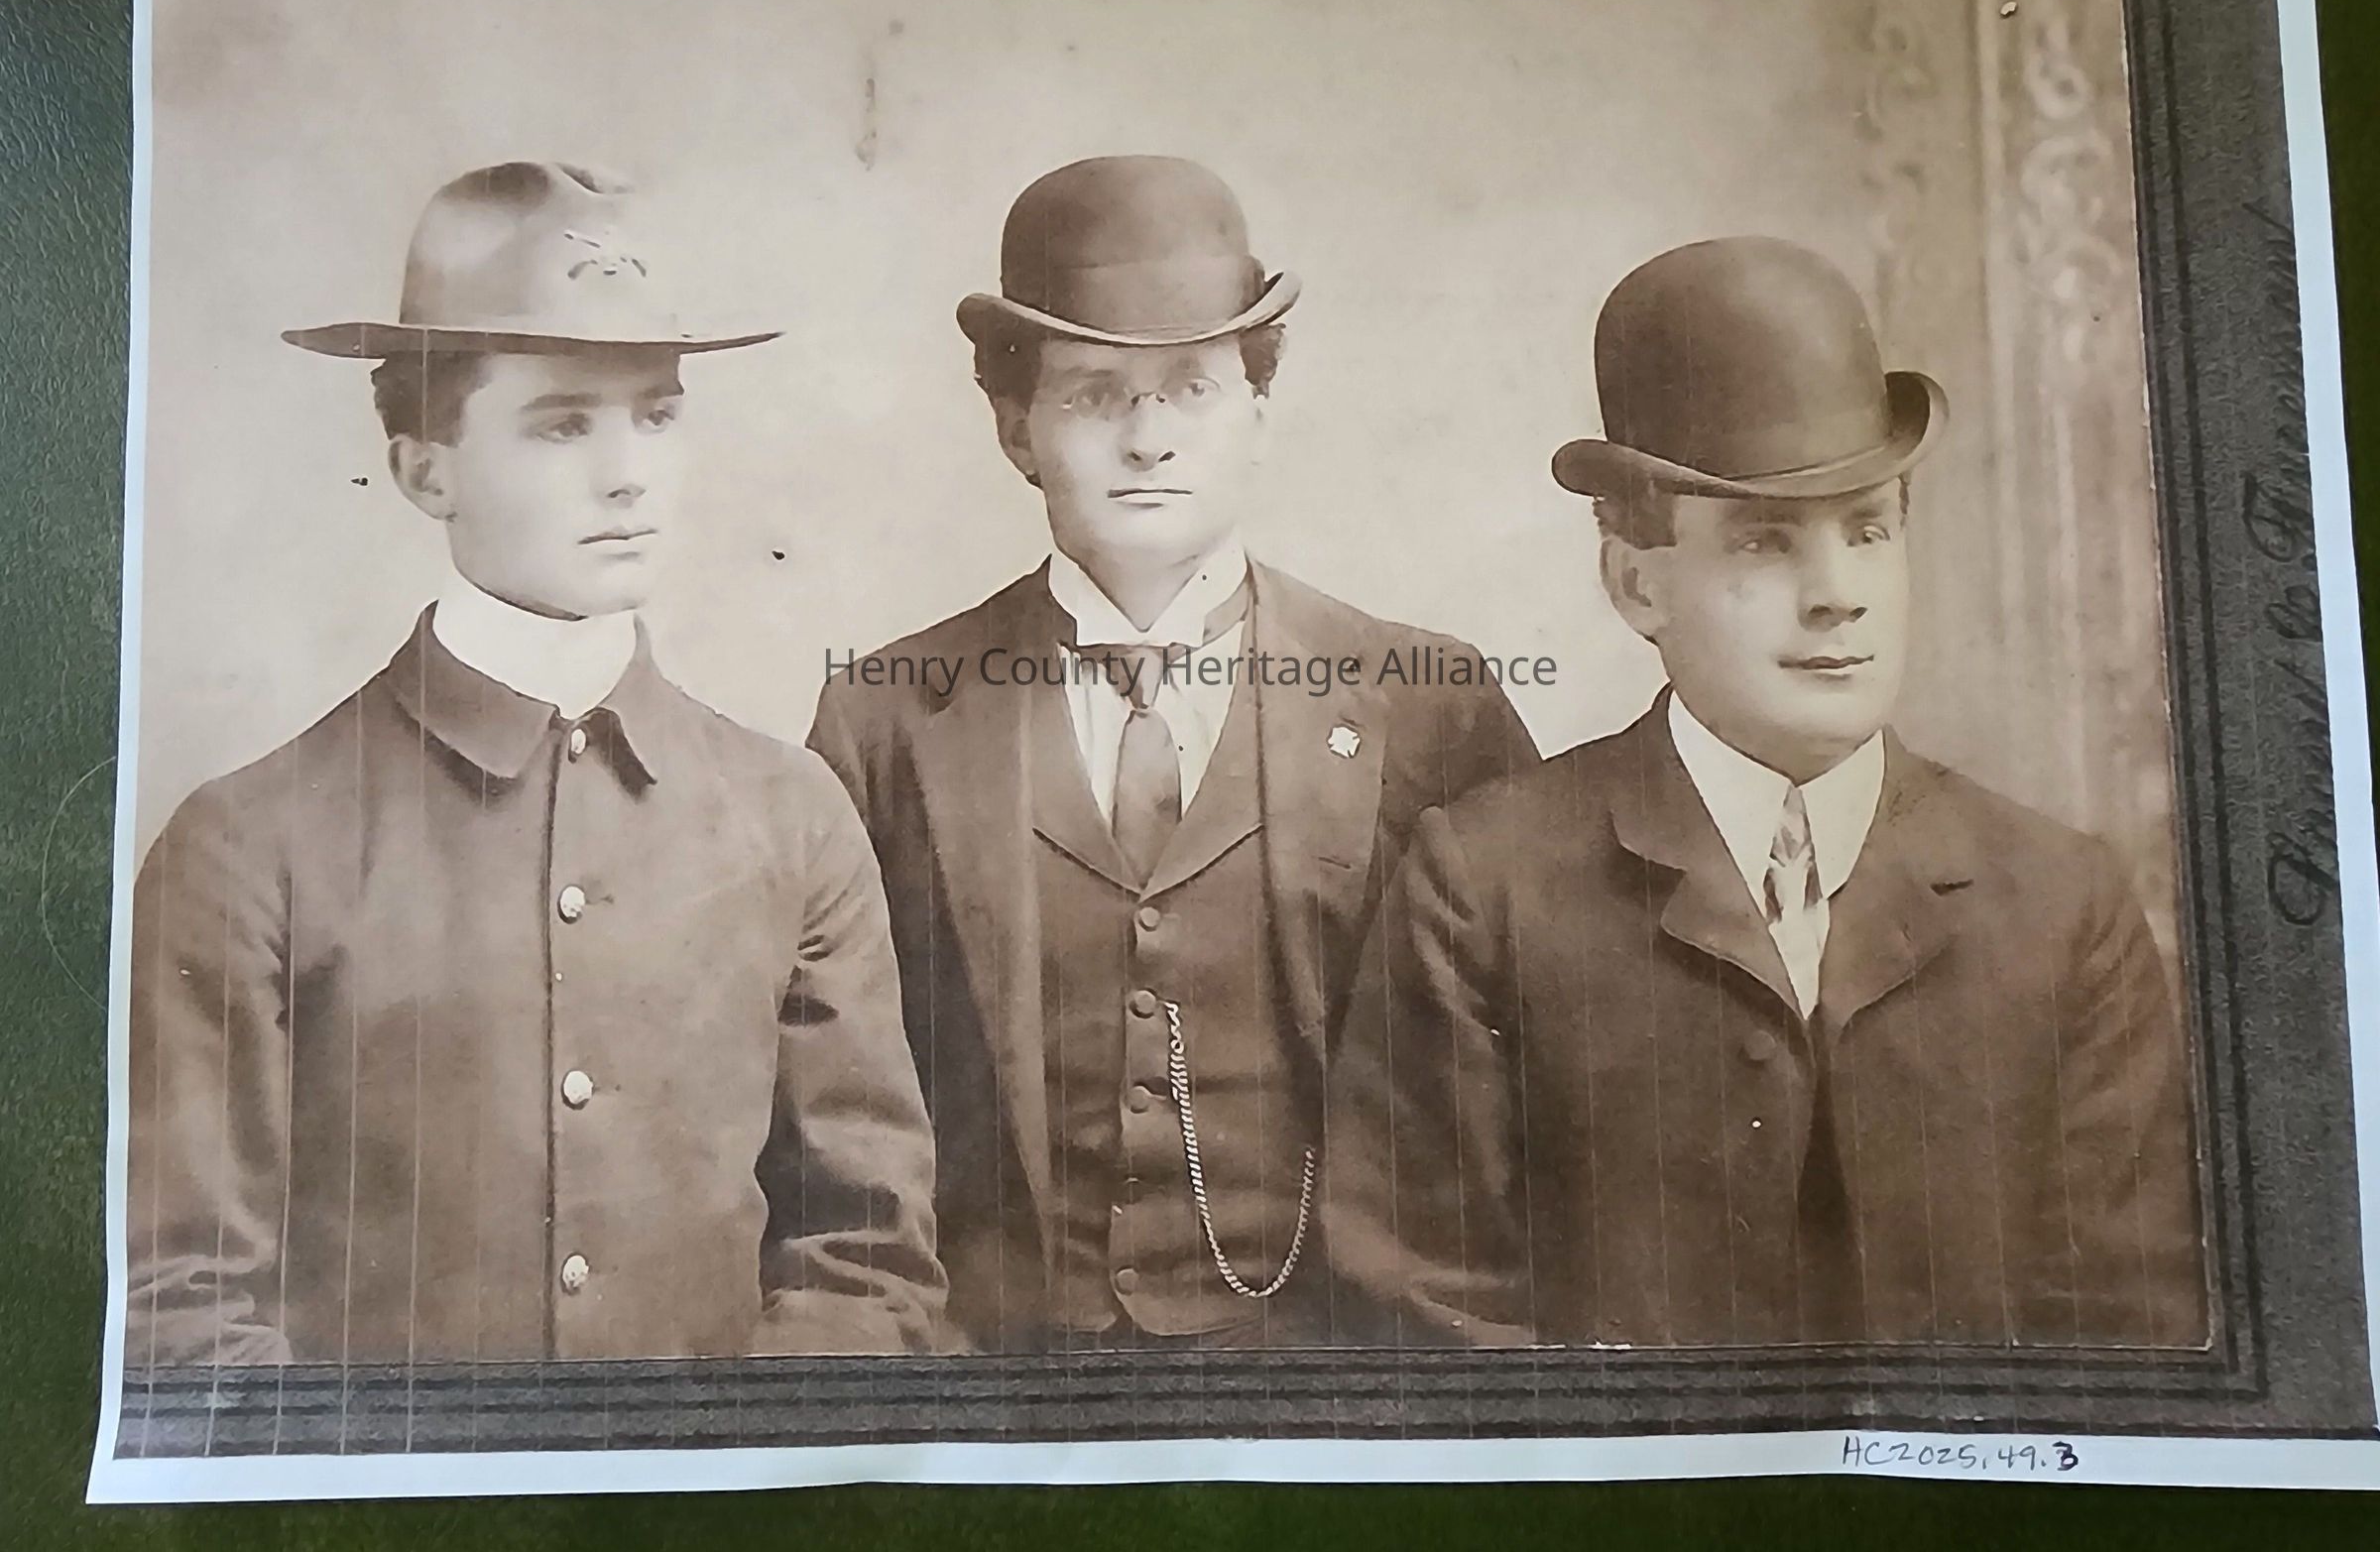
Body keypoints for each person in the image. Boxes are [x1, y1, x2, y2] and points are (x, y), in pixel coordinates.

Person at [1322, 235, 2205, 1349]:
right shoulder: (1483, 887)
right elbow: (1427, 1315)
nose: (1838, 594)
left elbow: (2129, 1328)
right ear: (1636, 584)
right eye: (1763, 543)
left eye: (1868, 529)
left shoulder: (2062, 903)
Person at [127, 160, 944, 1366]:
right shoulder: (249, 846)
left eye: (657, 415)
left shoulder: (792, 816)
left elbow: (868, 1265)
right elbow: (184, 1314)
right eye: (562, 424)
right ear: (426, 471)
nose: (628, 472)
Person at [809, 155, 1536, 1350]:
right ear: (1016, 430)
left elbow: (1512, 1112)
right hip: (1003, 1387)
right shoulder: (884, 720)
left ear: (1258, 414)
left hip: (1336, 1386)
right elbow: (839, 1119)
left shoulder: (1428, 705)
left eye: (1192, 388)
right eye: (1095, 394)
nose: (1148, 440)